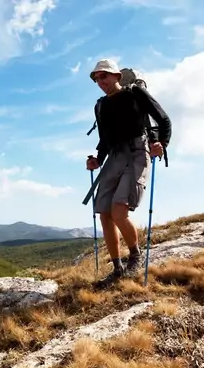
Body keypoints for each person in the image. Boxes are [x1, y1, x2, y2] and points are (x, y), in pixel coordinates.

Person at [85, 59, 171, 288]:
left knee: (119, 210)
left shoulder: (136, 94)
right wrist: (97, 159)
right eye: (97, 79)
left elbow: (163, 119)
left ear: (117, 76)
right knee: (104, 213)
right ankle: (117, 269)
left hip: (137, 151)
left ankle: (135, 256)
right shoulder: (100, 105)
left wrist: (161, 143)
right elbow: (104, 140)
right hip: (114, 156)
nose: (100, 82)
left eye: (104, 76)